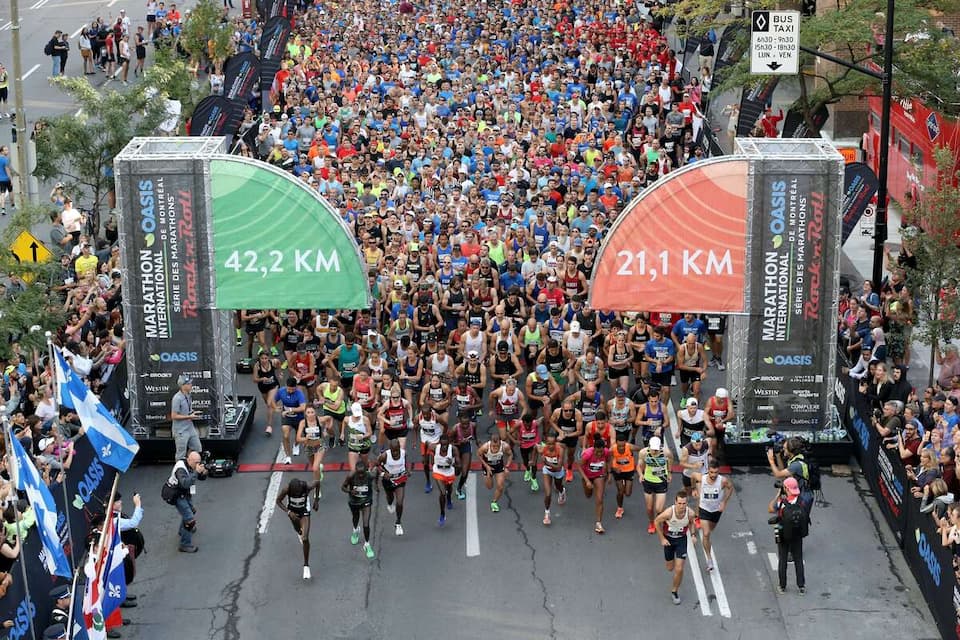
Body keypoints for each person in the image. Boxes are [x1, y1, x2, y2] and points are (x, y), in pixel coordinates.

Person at [690, 459, 735, 571]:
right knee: (706, 533)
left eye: (716, 472)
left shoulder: (722, 481)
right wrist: (693, 489)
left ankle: (705, 537)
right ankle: (709, 559)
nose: (713, 475)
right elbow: (693, 476)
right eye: (711, 472)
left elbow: (730, 487)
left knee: (710, 530)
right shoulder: (702, 478)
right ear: (708, 471)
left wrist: (724, 501)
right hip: (704, 508)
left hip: (716, 511)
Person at [654, 490, 697, 605]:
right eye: (679, 503)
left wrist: (693, 535)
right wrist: (662, 538)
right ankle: (671, 565)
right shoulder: (669, 512)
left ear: (686, 503)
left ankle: (674, 591)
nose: (682, 506)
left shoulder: (690, 513)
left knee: (679, 569)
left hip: (681, 540)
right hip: (669, 541)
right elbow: (656, 521)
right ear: (675, 502)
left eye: (684, 503)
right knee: (670, 568)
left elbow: (692, 522)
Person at [276, 477, 321, 579]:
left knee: (305, 538)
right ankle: (299, 532)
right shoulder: (286, 489)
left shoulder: (307, 487)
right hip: (292, 511)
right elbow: (278, 501)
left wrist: (316, 500)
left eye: (299, 493)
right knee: (298, 529)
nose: (297, 495)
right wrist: (288, 512)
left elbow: (317, 482)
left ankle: (306, 566)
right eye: (294, 494)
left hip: (304, 510)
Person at [769, 477, 808, 594]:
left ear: (786, 488)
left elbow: (770, 509)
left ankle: (782, 586)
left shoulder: (782, 503)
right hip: (797, 535)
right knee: (798, 559)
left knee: (783, 559)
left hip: (783, 534)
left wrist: (777, 495)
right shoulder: (802, 501)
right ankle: (801, 586)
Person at [164, 450, 206, 552]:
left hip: (183, 493)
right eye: (196, 463)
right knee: (190, 520)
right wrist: (196, 472)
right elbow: (185, 483)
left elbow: (201, 478)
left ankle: (182, 531)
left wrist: (203, 472)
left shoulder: (190, 465)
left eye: (199, 462)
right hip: (175, 494)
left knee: (191, 511)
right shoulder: (181, 469)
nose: (197, 465)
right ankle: (185, 544)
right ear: (189, 460)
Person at [341, 458, 377, 559]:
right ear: (356, 471)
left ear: (366, 470)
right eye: (359, 473)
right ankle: (356, 530)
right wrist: (350, 491)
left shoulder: (370, 475)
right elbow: (343, 487)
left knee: (366, 524)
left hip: (366, 501)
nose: (360, 476)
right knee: (355, 518)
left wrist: (376, 485)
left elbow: (377, 472)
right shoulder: (351, 476)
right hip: (354, 502)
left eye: (362, 473)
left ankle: (367, 544)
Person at [639, 436, 673, 535]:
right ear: (649, 446)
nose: (654, 451)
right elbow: (639, 465)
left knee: (658, 509)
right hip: (648, 481)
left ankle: (663, 519)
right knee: (649, 508)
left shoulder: (666, 452)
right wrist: (641, 475)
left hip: (661, 481)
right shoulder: (643, 453)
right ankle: (652, 523)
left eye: (656, 449)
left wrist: (670, 472)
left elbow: (670, 460)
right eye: (653, 449)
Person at [296, 406, 333, 496]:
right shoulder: (303, 423)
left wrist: (326, 429)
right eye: (308, 412)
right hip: (308, 447)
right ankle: (319, 470)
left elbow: (330, 418)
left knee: (314, 468)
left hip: (319, 446)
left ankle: (317, 489)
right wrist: (306, 438)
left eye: (312, 412)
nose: (310, 414)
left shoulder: (319, 420)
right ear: (305, 414)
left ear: (315, 412)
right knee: (314, 467)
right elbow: (298, 438)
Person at [579, 433, 611, 534]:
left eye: (601, 452)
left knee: (600, 499)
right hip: (587, 476)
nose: (599, 454)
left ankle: (598, 523)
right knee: (588, 494)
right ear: (594, 449)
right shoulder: (587, 454)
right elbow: (579, 466)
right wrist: (587, 481)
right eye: (597, 452)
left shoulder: (606, 452)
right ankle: (590, 487)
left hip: (599, 475)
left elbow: (609, 460)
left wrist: (609, 474)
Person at [377, 438, 408, 536]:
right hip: (388, 481)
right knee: (390, 498)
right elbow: (377, 465)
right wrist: (383, 473)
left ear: (399, 448)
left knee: (399, 502)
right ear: (390, 449)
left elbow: (405, 464)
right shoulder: (385, 455)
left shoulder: (404, 453)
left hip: (400, 479)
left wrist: (407, 471)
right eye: (393, 450)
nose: (395, 453)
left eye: (396, 450)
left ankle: (398, 523)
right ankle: (389, 504)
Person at [275, 377, 307, 464]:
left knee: (298, 437)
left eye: (292, 389)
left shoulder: (299, 394)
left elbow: (303, 407)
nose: (290, 391)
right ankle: (288, 457)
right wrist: (275, 407)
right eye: (289, 389)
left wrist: (289, 410)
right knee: (285, 435)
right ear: (286, 386)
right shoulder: (281, 391)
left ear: (296, 387)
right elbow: (273, 400)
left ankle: (296, 445)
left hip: (299, 418)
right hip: (287, 418)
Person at [478, 431, 512, 512]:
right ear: (490, 443)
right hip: (488, 467)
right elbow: (478, 455)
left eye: (497, 446)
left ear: (500, 442)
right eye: (493, 446)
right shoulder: (485, 447)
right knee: (489, 487)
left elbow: (510, 454)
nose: (496, 448)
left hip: (499, 467)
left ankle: (494, 502)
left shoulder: (505, 446)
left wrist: (507, 466)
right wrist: (486, 466)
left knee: (500, 486)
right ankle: (478, 444)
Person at [432, 432, 461, 526]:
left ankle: (449, 498)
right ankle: (442, 514)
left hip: (449, 471)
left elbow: (459, 465)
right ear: (439, 443)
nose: (444, 447)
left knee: (449, 488)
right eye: (442, 444)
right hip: (438, 471)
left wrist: (452, 462)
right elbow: (427, 445)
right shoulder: (434, 447)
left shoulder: (453, 449)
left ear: (449, 443)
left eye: (446, 444)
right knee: (442, 492)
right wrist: (429, 460)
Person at [170, 374, 201, 461]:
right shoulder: (177, 398)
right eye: (189, 384)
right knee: (181, 454)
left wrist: (193, 413)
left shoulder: (188, 395)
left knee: (197, 448)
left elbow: (187, 410)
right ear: (183, 386)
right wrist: (189, 416)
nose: (191, 385)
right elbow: (174, 416)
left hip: (189, 427)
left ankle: (190, 463)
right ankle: (180, 470)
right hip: (181, 430)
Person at [610, 433, 641, 520]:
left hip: (629, 470)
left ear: (625, 443)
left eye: (623, 445)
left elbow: (641, 451)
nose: (621, 447)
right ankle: (620, 508)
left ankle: (624, 485)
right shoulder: (612, 449)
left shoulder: (630, 447)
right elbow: (607, 460)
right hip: (618, 471)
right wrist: (613, 469)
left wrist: (641, 463)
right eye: (619, 446)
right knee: (620, 491)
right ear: (616, 443)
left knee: (627, 493)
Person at [341, 402, 373, 472]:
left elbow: (370, 432)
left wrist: (362, 436)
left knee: (365, 464)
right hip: (353, 445)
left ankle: (368, 467)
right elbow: (344, 422)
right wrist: (342, 433)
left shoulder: (365, 419)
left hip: (364, 445)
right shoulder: (347, 419)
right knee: (353, 470)